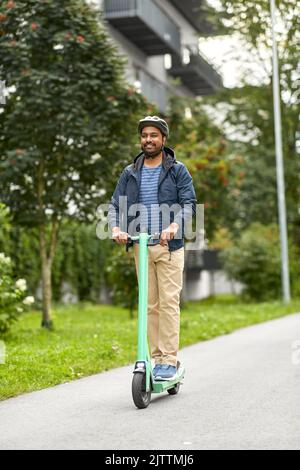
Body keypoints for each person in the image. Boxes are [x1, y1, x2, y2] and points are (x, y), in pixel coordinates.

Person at [108, 116, 196, 380]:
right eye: (144, 135)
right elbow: (115, 206)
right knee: (149, 305)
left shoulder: (177, 170)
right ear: (140, 139)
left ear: (163, 139)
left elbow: (189, 204)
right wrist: (115, 228)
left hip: (170, 246)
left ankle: (169, 360)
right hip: (141, 246)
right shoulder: (130, 172)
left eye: (154, 135)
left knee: (168, 303)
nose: (148, 139)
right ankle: (156, 359)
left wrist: (173, 227)